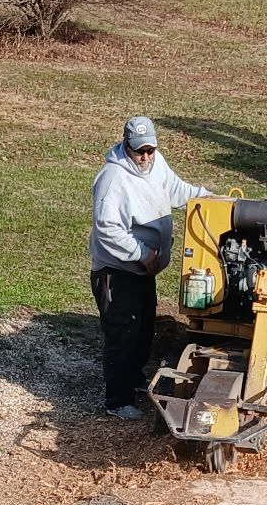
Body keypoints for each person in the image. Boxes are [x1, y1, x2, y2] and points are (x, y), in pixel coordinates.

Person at [90, 115, 210, 420]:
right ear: (126, 146)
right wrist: (141, 253)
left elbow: (178, 190)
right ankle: (117, 400)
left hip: (144, 270)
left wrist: (211, 200)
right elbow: (107, 229)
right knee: (122, 334)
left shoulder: (156, 165)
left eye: (149, 150)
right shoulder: (112, 180)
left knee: (143, 329)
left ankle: (134, 378)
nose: (145, 157)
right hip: (117, 272)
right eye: (138, 151)